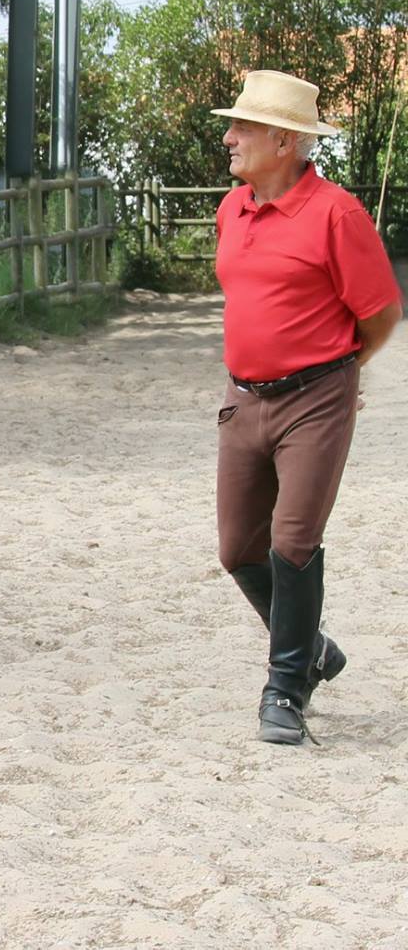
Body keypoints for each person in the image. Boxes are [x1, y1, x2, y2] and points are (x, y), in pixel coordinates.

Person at [211, 69, 400, 744]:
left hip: (317, 400)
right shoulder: (232, 209)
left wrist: (338, 377)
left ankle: (285, 686)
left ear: (285, 140)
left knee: (293, 539)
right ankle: (313, 645)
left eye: (242, 127)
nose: (229, 138)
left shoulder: (337, 213)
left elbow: (381, 316)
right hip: (243, 397)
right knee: (238, 547)